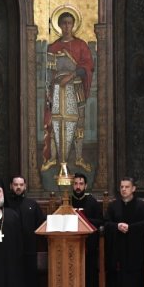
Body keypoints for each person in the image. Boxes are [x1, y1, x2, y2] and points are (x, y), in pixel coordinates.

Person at [41, 12, 94, 173]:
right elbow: (48, 73)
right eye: (63, 23)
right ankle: (54, 159)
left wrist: (71, 76)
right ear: (59, 25)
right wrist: (49, 92)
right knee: (55, 123)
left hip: (76, 88)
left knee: (78, 124)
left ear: (73, 24)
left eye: (69, 23)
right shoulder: (53, 47)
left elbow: (88, 66)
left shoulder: (81, 45)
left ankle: (78, 158)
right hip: (57, 90)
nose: (66, 26)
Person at [104, 177, 144, 287]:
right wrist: (117, 226)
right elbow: (106, 223)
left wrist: (131, 228)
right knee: (118, 281)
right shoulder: (113, 206)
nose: (123, 189)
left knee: (133, 281)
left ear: (133, 189)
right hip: (118, 250)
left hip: (135, 250)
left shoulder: (140, 205)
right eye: (121, 187)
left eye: (126, 187)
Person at [8, 175, 45, 287]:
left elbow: (41, 224)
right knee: (13, 279)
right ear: (11, 186)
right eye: (15, 184)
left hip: (30, 249)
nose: (18, 187)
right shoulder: (6, 204)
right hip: (11, 251)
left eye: (21, 184)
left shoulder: (32, 204)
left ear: (25, 186)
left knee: (31, 279)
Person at [71, 172, 104, 287]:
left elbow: (100, 222)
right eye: (76, 184)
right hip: (70, 247)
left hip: (88, 247)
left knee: (89, 277)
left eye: (81, 184)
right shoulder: (67, 202)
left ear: (86, 185)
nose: (78, 187)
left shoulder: (92, 202)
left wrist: (84, 219)